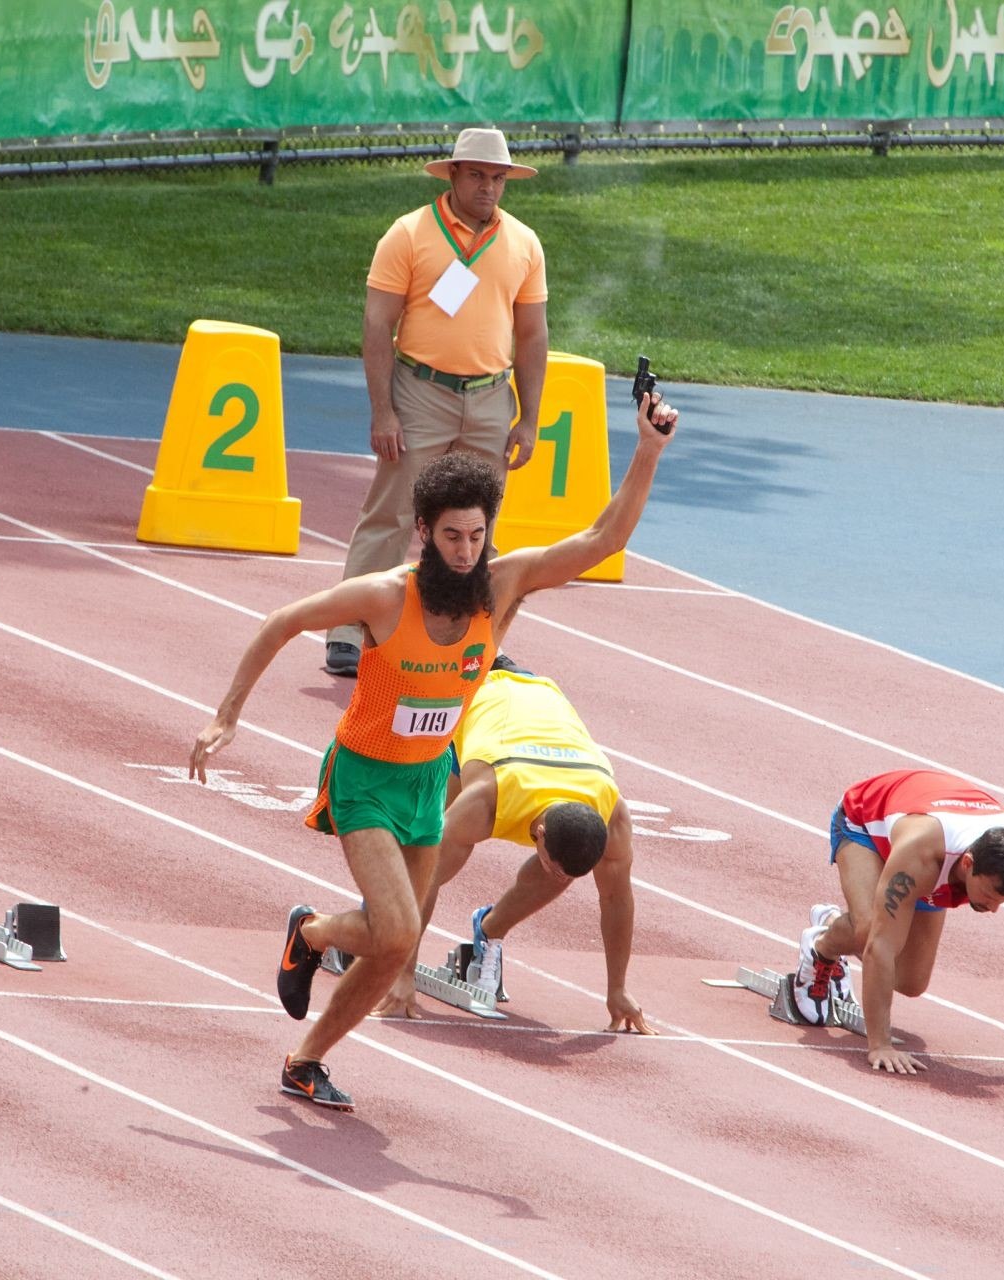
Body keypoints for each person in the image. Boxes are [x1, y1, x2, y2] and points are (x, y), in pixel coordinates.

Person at [191, 390, 678, 1112]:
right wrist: (226, 715)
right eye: (452, 537)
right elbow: (283, 620)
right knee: (397, 928)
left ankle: (306, 1052)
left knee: (395, 942)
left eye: (477, 535)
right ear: (424, 530)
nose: (467, 550)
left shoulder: (502, 588)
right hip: (364, 777)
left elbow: (602, 539)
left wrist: (648, 450)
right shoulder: (387, 596)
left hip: (429, 782)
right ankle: (313, 934)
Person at [324, 126, 549, 678]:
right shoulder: (408, 234)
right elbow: (377, 324)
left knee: (477, 527)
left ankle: (476, 640)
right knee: (392, 513)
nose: (488, 187)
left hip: (491, 397)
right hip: (419, 391)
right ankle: (349, 629)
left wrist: (529, 419)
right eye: (477, 175)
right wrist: (384, 411)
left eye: (498, 178)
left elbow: (532, 335)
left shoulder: (524, 243)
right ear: (452, 174)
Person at [371, 667, 656, 1034]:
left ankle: (489, 929)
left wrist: (617, 989)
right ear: (540, 834)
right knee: (424, 847)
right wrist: (401, 973)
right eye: (555, 865)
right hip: (478, 699)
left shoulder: (612, 813)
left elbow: (616, 898)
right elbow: (423, 878)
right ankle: (376, 919)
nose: (562, 879)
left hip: (541, 698)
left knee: (559, 871)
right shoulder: (485, 802)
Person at [790, 769, 1004, 1085]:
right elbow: (880, 947)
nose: (993, 909)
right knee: (869, 931)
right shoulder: (920, 855)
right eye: (990, 896)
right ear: (968, 864)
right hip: (865, 823)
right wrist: (880, 1045)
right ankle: (822, 947)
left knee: (911, 982)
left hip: (934, 827)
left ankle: (838, 924)